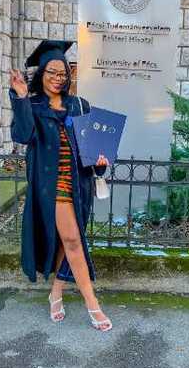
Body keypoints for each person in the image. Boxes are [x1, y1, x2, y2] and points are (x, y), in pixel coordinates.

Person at [9, 40, 112, 332]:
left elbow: (92, 152)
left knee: (67, 245)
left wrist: (101, 162)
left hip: (79, 187)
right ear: (40, 74)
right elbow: (23, 135)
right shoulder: (33, 106)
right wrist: (20, 97)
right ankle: (93, 304)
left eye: (62, 73)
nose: (58, 78)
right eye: (51, 72)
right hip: (51, 186)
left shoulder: (79, 106)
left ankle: (55, 293)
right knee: (74, 242)